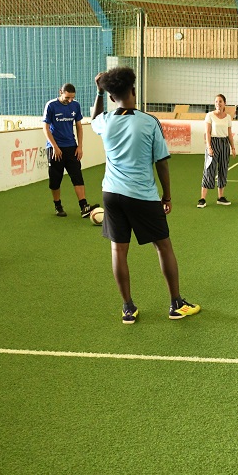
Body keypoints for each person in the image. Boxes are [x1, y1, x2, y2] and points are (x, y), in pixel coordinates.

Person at [90, 67, 201, 323]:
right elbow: (161, 161)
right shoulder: (149, 121)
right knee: (163, 247)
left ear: (110, 96)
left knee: (118, 251)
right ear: (133, 90)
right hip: (142, 195)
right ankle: (176, 304)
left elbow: (92, 118)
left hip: (111, 194)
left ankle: (128, 308)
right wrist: (168, 196)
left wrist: (98, 92)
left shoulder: (105, 120)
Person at [43, 83, 99, 218]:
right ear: (60, 92)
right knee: (55, 180)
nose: (70, 101)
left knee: (77, 176)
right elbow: (45, 128)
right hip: (54, 148)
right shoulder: (51, 105)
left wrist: (80, 146)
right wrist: (55, 147)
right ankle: (58, 205)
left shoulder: (75, 105)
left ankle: (84, 206)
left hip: (71, 147)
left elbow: (79, 126)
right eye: (67, 97)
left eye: (72, 98)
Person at [198, 94, 237, 208]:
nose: (218, 103)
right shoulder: (210, 115)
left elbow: (229, 133)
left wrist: (233, 147)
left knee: (223, 169)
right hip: (213, 143)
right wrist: (209, 147)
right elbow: (208, 132)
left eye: (220, 101)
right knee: (209, 169)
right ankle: (202, 199)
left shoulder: (228, 117)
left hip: (224, 144)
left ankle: (220, 197)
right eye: (216, 101)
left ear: (224, 103)